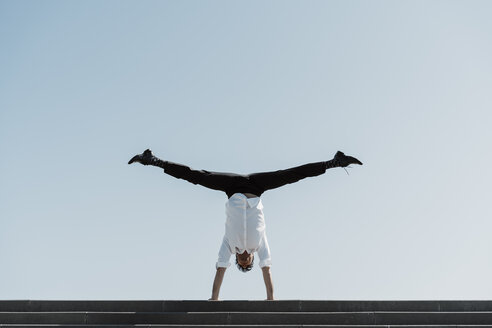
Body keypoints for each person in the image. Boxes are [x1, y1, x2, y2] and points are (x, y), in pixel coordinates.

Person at [128, 149, 362, 300]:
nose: (242, 260)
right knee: (291, 174)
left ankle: (152, 160)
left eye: (240, 262)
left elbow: (220, 269)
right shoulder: (260, 245)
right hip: (257, 186)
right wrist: (271, 299)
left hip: (232, 188)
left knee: (197, 176)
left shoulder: (229, 246)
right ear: (250, 260)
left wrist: (214, 298)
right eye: (245, 262)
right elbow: (267, 270)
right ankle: (335, 162)